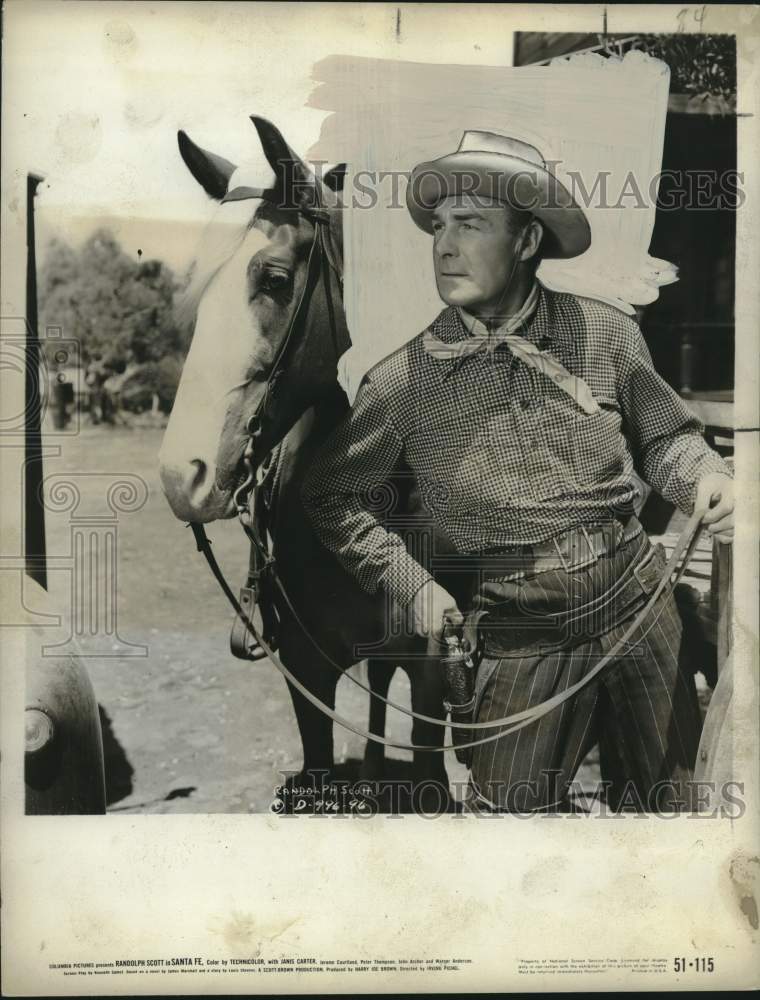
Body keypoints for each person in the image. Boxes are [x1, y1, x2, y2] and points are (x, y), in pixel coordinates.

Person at [301, 130, 734, 813]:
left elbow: (667, 439)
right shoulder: (403, 381)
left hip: (637, 599)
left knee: (671, 815)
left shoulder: (607, 333)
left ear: (528, 241)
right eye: (438, 226)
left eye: (470, 224)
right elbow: (331, 495)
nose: (444, 245)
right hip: (517, 625)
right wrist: (412, 587)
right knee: (511, 838)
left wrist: (702, 476)